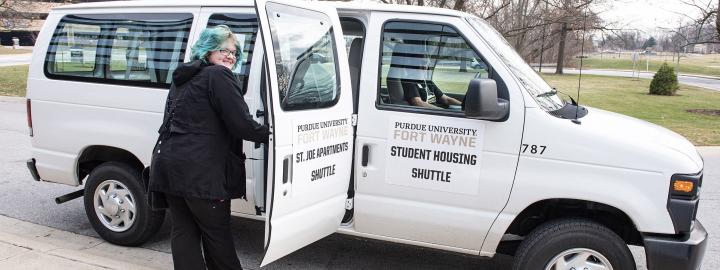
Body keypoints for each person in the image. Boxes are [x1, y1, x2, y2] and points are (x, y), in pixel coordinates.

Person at [149, 25, 269, 270]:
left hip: (170, 167)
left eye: (235, 52)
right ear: (207, 50)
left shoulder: (183, 75)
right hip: (201, 173)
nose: (230, 56)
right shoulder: (219, 76)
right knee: (217, 235)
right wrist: (274, 133)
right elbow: (242, 124)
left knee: (184, 231)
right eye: (223, 49)